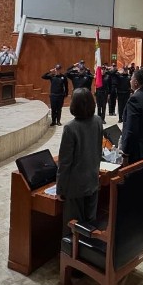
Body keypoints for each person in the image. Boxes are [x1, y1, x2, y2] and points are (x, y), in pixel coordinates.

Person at [56, 88, 103, 236]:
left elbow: (65, 162)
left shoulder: (71, 128)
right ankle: (87, 252)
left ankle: (71, 255)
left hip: (75, 186)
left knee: (73, 226)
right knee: (90, 222)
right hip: (93, 179)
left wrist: (60, 189)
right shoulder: (98, 120)